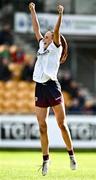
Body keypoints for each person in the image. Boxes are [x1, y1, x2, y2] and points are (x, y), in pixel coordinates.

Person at [29, 2, 77, 176]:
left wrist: (60, 15)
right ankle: (46, 161)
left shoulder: (56, 47)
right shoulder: (42, 45)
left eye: (48, 36)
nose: (45, 38)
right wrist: (33, 11)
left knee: (61, 125)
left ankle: (71, 155)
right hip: (39, 88)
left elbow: (56, 31)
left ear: (54, 39)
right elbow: (36, 29)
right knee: (42, 126)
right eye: (46, 36)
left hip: (52, 87)